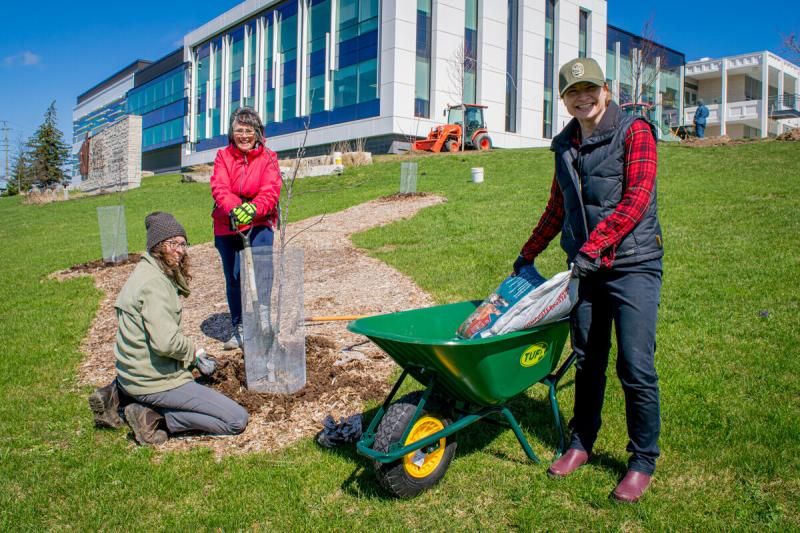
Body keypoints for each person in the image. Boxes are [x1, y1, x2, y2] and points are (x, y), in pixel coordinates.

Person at [513, 58, 663, 503]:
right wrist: (527, 253)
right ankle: (582, 442)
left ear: (607, 89)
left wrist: (593, 249)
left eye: (590, 88)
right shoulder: (564, 146)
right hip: (586, 267)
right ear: (564, 99)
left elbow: (637, 199)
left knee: (635, 365)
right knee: (587, 360)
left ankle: (641, 460)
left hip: (633, 264)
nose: (583, 96)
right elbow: (557, 208)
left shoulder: (636, 132)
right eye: (573, 91)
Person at [88, 212, 249, 445]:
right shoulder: (155, 285)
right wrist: (195, 354)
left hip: (131, 374)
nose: (180, 250)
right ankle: (155, 418)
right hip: (154, 381)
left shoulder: (144, 272)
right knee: (236, 419)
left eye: (183, 243)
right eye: (172, 243)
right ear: (157, 246)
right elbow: (165, 343)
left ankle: (118, 395)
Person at [210, 107, 282, 350]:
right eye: (238, 130)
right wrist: (235, 209)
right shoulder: (223, 156)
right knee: (234, 277)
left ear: (258, 133)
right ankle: (239, 326)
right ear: (232, 133)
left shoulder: (269, 157)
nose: (243, 135)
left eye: (248, 130)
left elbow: (271, 190)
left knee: (263, 270)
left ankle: (264, 322)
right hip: (227, 224)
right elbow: (220, 187)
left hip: (259, 222)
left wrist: (253, 209)